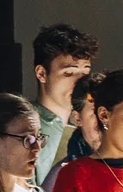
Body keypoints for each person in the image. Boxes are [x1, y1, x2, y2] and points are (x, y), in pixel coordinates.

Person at [29, 23, 99, 182]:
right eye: (69, 73)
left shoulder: (91, 123)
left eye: (86, 73)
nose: (82, 82)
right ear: (42, 74)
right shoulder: (23, 125)